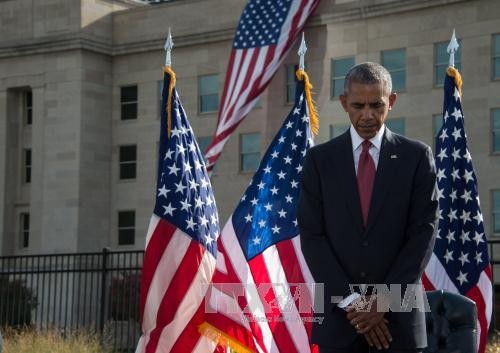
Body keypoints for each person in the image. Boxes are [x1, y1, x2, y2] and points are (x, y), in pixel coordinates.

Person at [298, 62, 437, 353]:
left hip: (399, 319)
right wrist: (356, 304)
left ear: (392, 101)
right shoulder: (319, 161)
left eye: (377, 105)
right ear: (344, 103)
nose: (367, 115)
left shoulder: (417, 157)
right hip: (339, 319)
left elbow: (422, 235)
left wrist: (382, 301)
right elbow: (312, 237)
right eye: (358, 105)